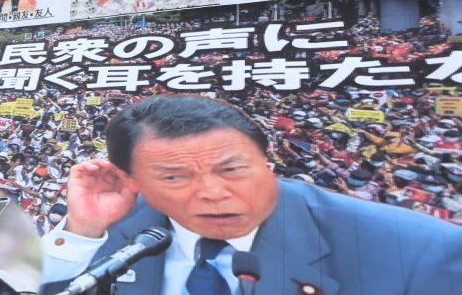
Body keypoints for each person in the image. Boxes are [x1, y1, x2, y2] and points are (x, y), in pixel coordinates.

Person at [41, 95, 462, 295]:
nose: (212, 193)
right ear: (131, 181)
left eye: (233, 169)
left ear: (267, 159)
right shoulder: (114, 228)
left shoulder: (417, 251)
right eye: (174, 177)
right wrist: (84, 228)